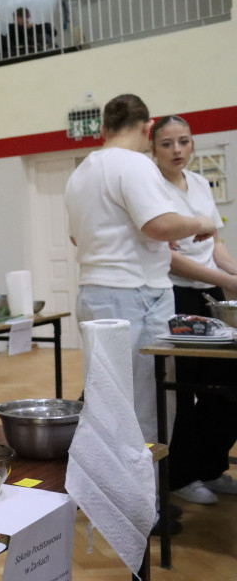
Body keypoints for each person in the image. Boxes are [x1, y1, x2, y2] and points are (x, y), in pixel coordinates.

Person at [65, 95, 215, 443]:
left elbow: (79, 238)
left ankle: (112, 491)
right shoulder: (133, 164)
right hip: (135, 296)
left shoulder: (82, 170)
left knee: (108, 402)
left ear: (103, 129)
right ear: (148, 127)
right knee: (146, 404)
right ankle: (145, 496)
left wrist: (152, 237)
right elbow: (158, 226)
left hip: (95, 292)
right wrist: (198, 222)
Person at [149, 114, 237, 505]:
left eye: (183, 141)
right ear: (153, 148)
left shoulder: (200, 183)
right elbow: (167, 259)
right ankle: (181, 475)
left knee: (227, 386)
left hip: (214, 292)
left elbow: (214, 242)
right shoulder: (151, 189)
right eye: (167, 143)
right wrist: (228, 280)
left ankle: (210, 465)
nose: (177, 150)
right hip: (179, 296)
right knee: (184, 390)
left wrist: (231, 273)